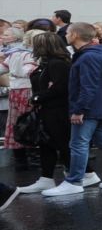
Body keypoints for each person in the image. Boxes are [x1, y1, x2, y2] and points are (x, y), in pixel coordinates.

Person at [43, 23, 102, 197]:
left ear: (76, 35)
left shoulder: (87, 57)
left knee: (78, 143)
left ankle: (74, 181)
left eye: (69, 32)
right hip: (98, 107)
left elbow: (88, 86)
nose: (66, 35)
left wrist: (79, 110)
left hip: (90, 109)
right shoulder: (95, 54)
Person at [17, 31, 73, 194]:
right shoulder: (49, 63)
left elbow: (60, 87)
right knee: (47, 143)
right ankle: (46, 178)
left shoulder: (57, 63)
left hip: (57, 110)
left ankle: (80, 175)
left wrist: (37, 97)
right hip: (48, 108)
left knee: (61, 143)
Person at [2, 25, 31, 152]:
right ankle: (20, 153)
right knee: (16, 121)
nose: (2, 37)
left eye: (6, 35)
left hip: (26, 90)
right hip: (15, 90)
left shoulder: (25, 53)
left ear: (15, 37)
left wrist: (15, 73)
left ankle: (29, 150)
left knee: (25, 121)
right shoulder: (12, 53)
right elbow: (3, 68)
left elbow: (27, 72)